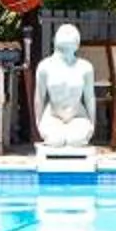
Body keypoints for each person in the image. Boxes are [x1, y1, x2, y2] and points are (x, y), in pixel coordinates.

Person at [32, 23, 99, 152]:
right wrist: (38, 123)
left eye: (72, 34)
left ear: (77, 44)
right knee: (55, 140)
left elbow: (90, 97)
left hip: (77, 116)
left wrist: (92, 124)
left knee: (76, 140)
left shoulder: (85, 67)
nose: (68, 34)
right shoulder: (45, 66)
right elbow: (39, 97)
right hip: (53, 115)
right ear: (55, 40)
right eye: (64, 33)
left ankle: (75, 131)